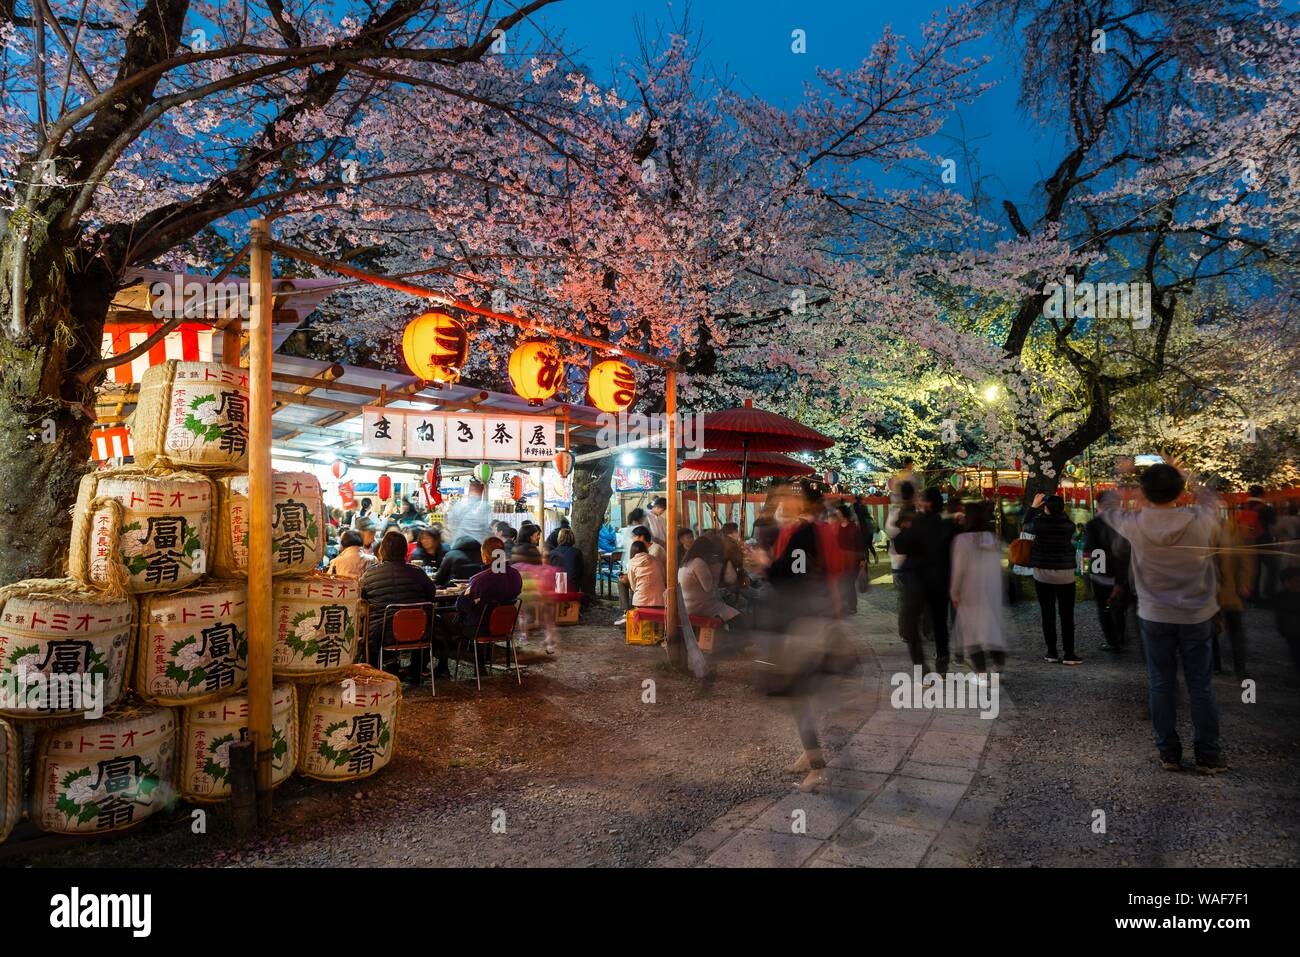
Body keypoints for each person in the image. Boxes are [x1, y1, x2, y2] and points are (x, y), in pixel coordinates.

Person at [1099, 463, 1226, 774]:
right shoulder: (1199, 521)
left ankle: (1168, 751)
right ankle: (1208, 754)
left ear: (1145, 492)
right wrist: (1191, 478)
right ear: (1179, 492)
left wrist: (1122, 478)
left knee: (1161, 682)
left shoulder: (1134, 523)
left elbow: (1105, 505)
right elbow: (1211, 498)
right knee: (1201, 685)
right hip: (1197, 613)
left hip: (1154, 613)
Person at [360, 530, 439, 683]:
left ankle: (376, 674)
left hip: (382, 634)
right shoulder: (418, 573)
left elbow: (361, 599)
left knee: (367, 632)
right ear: (404, 550)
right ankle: (415, 673)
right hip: (419, 631)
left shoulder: (369, 575)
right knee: (431, 623)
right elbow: (431, 595)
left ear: (382, 550)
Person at [892, 486, 954, 675]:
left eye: (922, 499)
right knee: (939, 622)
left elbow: (900, 546)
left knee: (911, 623)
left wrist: (904, 528)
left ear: (927, 503)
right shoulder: (946, 526)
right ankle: (942, 659)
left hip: (916, 580)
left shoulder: (916, 524)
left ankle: (920, 664)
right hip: (940, 581)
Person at [948, 501, 1006, 680]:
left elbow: (958, 570)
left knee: (972, 634)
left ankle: (981, 673)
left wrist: (954, 593)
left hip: (969, 592)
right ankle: (998, 667)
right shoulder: (992, 538)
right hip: (991, 590)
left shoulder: (962, 540)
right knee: (991, 630)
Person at [1025, 492, 1081, 665]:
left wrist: (1034, 507)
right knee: (1067, 614)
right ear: (1062, 509)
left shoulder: (1038, 523)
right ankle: (1069, 654)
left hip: (1042, 574)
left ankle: (1051, 652)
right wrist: (1056, 509)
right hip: (1065, 575)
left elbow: (1026, 525)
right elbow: (1063, 517)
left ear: (1046, 508)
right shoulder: (1068, 525)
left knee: (1047, 614)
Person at [454, 536, 524, 656]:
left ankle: (458, 662)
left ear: (485, 557)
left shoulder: (480, 579)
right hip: (505, 626)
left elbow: (462, 606)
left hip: (480, 628)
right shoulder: (515, 575)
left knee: (444, 621)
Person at [1083, 492, 1131, 652]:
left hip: (1101, 572)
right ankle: (1121, 637)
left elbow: (1089, 551)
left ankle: (1113, 642)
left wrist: (1086, 573)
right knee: (1121, 607)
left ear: (1099, 504)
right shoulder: (1128, 522)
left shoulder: (1093, 524)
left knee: (1104, 608)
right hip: (1126, 571)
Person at [1212, 517, 1250, 679]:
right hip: (1211, 590)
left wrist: (1244, 582)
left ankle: (1239, 667)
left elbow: (1244, 559)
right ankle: (1216, 665)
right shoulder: (1200, 529)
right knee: (1212, 631)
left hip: (1227, 589)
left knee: (1234, 630)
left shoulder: (1233, 529)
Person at [678, 535, 741, 624]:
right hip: (700, 606)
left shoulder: (685, 562)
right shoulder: (698, 562)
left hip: (688, 605)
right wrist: (716, 572)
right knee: (736, 616)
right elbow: (708, 588)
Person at [511, 541, 558, 653]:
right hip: (539, 596)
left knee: (522, 616)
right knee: (547, 619)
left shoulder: (516, 567)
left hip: (523, 597)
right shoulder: (541, 568)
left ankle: (524, 635)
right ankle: (550, 639)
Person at [614, 507, 648, 626]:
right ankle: (629, 610)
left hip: (632, 564)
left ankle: (628, 610)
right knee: (625, 581)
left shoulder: (628, 530)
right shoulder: (639, 531)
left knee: (628, 581)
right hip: (633, 564)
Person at [445, 479, 493, 545]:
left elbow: (450, 523)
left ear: (469, 490)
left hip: (458, 545)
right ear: (482, 491)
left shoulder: (458, 505)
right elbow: (489, 527)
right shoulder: (485, 506)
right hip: (477, 547)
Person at [627, 540, 667, 609]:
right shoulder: (656, 560)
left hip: (640, 601)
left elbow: (633, 584)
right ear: (646, 549)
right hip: (660, 599)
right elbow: (663, 577)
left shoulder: (631, 563)